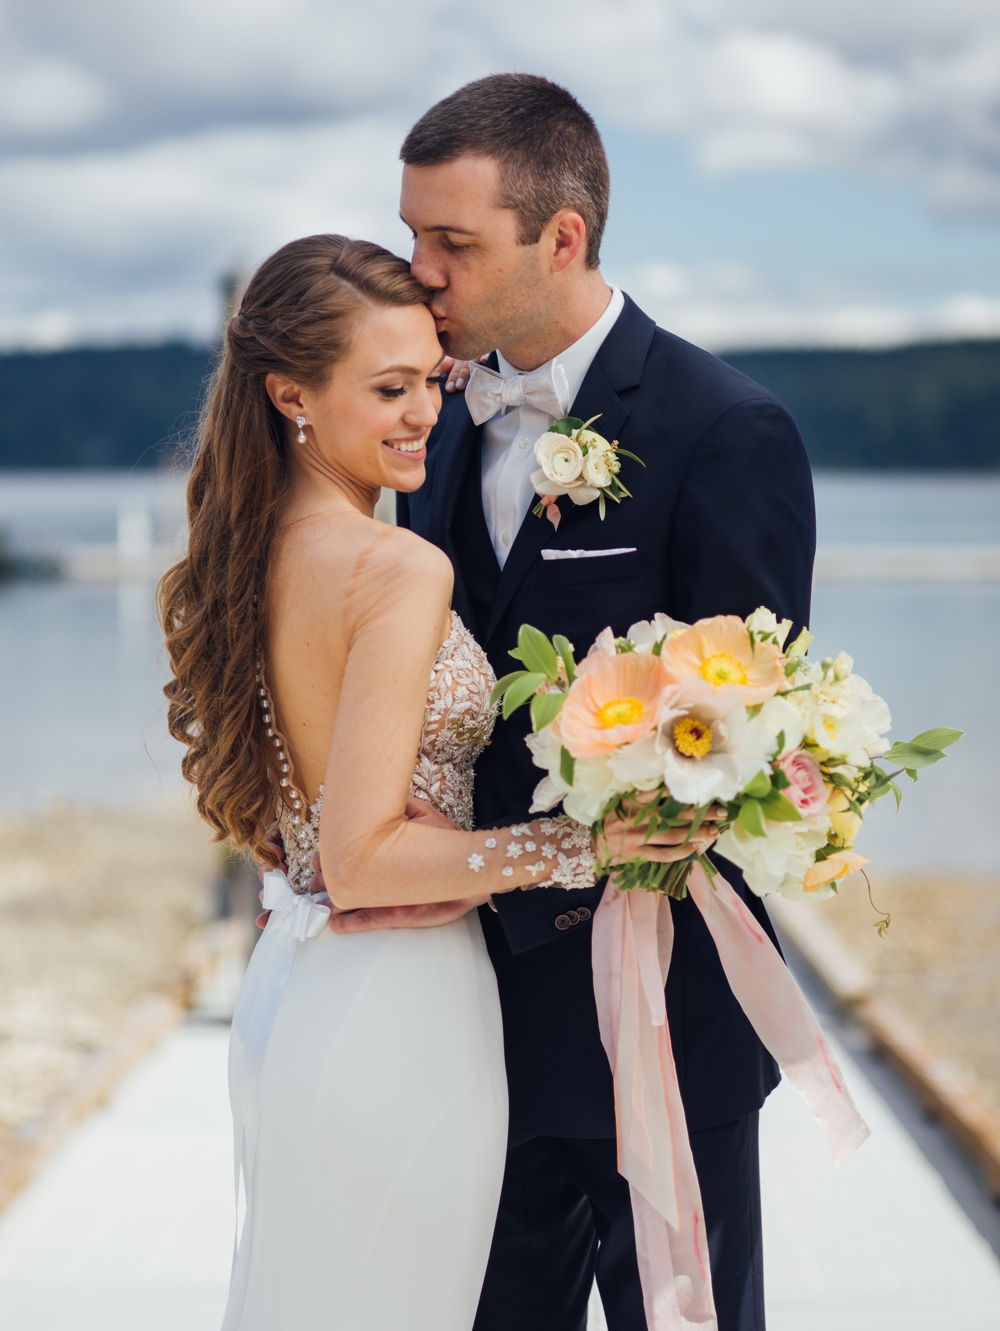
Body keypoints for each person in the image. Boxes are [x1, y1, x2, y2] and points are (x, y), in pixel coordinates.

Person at [329, 74, 815, 1331]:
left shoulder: (724, 430)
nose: (418, 271)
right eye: (410, 234)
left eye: (451, 243)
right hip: (463, 1017)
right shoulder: (427, 423)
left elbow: (748, 741)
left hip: (652, 1013)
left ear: (562, 238)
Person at [158, 232, 707, 1330]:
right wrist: (582, 844)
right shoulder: (396, 564)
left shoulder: (254, 546)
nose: (424, 414)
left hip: (299, 983)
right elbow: (363, 860)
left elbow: (305, 825)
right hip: (396, 996)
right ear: (290, 395)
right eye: (390, 388)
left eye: (433, 381)